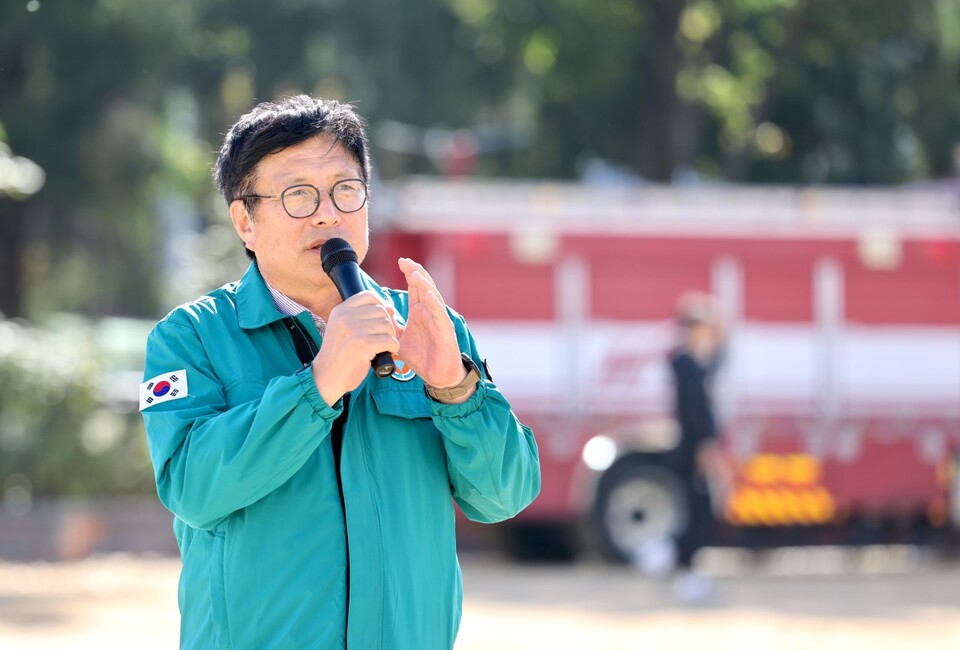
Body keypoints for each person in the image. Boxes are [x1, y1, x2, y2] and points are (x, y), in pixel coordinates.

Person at [139, 95, 541, 649]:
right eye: (298, 194)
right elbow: (193, 489)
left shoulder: (427, 326)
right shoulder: (192, 338)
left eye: (346, 190)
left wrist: (455, 388)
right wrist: (318, 385)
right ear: (245, 221)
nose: (328, 214)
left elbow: (504, 495)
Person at [665, 292, 728, 603]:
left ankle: (680, 565)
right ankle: (685, 571)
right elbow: (694, 411)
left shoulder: (694, 363)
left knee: (700, 510)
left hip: (696, 446)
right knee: (696, 511)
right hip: (692, 449)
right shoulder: (683, 363)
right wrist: (704, 446)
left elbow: (718, 363)